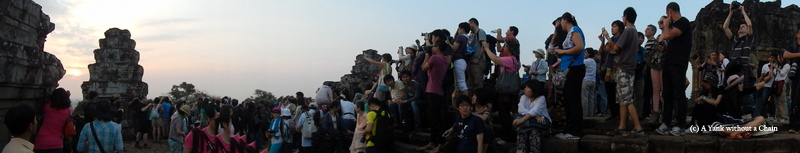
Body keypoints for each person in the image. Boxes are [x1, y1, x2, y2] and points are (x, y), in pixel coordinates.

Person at [602, 7, 645, 137]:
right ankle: (621, 126)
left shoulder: (628, 31)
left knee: (627, 99)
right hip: (627, 68)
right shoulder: (633, 31)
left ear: (625, 17)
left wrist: (607, 38)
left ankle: (638, 128)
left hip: (625, 68)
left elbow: (615, 48)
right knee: (622, 99)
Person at [656, 2, 693, 136]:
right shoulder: (674, 26)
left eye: (667, 14)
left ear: (670, 12)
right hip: (669, 62)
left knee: (678, 93)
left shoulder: (683, 22)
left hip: (678, 63)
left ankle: (680, 124)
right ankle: (666, 122)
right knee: (667, 94)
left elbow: (668, 36)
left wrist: (666, 25)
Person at [552, 12, 587, 140]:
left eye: (561, 21)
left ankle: (575, 131)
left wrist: (563, 51)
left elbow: (580, 47)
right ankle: (570, 129)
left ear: (564, 20)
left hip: (575, 69)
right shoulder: (570, 32)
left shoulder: (574, 30)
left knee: (573, 101)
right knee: (569, 100)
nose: (560, 24)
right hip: (570, 68)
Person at [486, 27, 521, 142]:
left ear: (509, 48)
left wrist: (486, 49)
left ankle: (506, 137)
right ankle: (505, 135)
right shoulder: (514, 59)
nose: (503, 48)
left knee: (504, 115)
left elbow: (495, 59)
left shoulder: (510, 59)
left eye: (505, 46)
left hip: (505, 92)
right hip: (508, 91)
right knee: (503, 113)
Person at [418, 40, 450, 152]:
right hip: (439, 91)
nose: (432, 48)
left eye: (434, 46)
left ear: (438, 48)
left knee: (433, 119)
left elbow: (423, 68)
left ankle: (435, 143)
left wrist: (427, 54)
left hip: (432, 90)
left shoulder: (435, 58)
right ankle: (435, 142)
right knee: (437, 118)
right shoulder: (445, 60)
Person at [514, 80, 551, 153]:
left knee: (533, 131)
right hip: (534, 121)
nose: (525, 89)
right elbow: (520, 109)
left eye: (528, 88)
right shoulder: (523, 97)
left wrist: (522, 120)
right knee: (522, 131)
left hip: (540, 124)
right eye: (525, 87)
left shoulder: (541, 98)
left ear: (534, 90)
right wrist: (536, 116)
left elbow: (535, 110)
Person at [33, 88, 72, 153]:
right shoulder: (68, 111)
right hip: (57, 143)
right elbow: (69, 106)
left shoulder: (47, 107)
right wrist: (67, 96)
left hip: (42, 141)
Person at [781, 28, 800, 132]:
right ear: (797, 35)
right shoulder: (793, 47)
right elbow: (785, 55)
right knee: (795, 99)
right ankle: (794, 125)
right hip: (796, 75)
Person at [467, 18, 490, 92]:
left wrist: (478, 58)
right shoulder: (472, 34)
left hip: (478, 62)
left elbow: (484, 45)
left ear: (473, 23)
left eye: (469, 24)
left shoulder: (480, 32)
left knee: (477, 83)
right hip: (471, 61)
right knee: (470, 84)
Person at [470, 88, 493, 153]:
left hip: (485, 127)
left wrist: (471, 113)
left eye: (475, 96)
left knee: (486, 128)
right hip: (473, 125)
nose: (473, 97)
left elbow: (484, 118)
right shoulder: (472, 106)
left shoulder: (488, 105)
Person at [451, 22, 471, 96]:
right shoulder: (468, 38)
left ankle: (465, 101)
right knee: (460, 83)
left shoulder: (460, 37)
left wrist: (448, 43)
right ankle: (461, 102)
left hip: (458, 60)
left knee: (461, 83)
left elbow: (454, 49)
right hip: (464, 61)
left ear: (462, 29)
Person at [582, 48, 597, 117]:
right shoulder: (594, 62)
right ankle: (591, 113)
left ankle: (584, 113)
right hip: (593, 80)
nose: (584, 54)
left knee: (584, 97)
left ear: (589, 54)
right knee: (591, 97)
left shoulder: (585, 61)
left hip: (586, 79)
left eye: (586, 52)